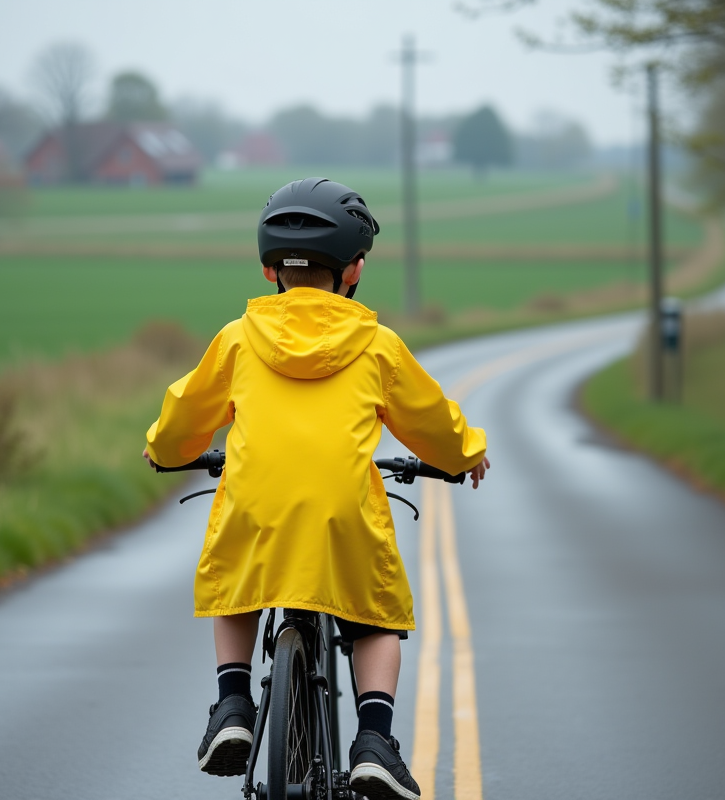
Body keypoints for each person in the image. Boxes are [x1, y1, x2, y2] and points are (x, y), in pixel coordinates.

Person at [144, 177, 489, 800]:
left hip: (257, 510)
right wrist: (466, 455)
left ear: (269, 268)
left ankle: (233, 706)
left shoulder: (238, 340)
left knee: (237, 581)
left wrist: (163, 449)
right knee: (374, 616)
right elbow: (432, 423)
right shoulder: (378, 348)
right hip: (342, 517)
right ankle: (375, 741)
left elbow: (183, 416)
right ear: (355, 269)